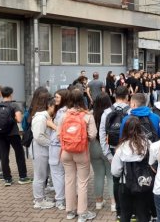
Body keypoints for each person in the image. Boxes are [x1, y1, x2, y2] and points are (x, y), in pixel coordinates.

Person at [59, 89, 97, 221]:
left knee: (69, 180)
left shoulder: (64, 115)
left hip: (66, 152)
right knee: (82, 182)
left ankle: (70, 211)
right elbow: (92, 135)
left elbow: (59, 134)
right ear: (83, 99)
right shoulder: (88, 116)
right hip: (81, 152)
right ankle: (82, 213)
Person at [111, 117, 154, 222]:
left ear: (125, 130)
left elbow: (115, 171)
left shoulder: (121, 148)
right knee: (143, 214)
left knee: (125, 214)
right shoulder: (148, 144)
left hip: (125, 185)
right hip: (143, 183)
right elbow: (153, 163)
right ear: (140, 129)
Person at [99, 86, 130, 220]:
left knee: (115, 180)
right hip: (128, 149)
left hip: (113, 148)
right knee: (129, 179)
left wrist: (108, 155)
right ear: (127, 96)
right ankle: (129, 209)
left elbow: (102, 134)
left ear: (114, 96)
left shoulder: (106, 112)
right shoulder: (131, 111)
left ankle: (118, 210)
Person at [0, 86, 31, 186]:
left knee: (4, 155)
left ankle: (7, 179)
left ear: (2, 94)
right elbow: (19, 119)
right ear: (11, 94)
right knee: (19, 154)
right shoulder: (14, 105)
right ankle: (22, 177)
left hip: (1, 133)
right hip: (13, 133)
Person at [90, 93, 115, 211]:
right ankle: (114, 203)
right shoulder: (111, 114)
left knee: (98, 175)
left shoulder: (91, 114)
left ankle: (99, 202)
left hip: (94, 146)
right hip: (107, 146)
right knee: (110, 176)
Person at [31, 95, 57, 209]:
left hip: (43, 151)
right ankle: (39, 201)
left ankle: (41, 197)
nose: (56, 109)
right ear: (49, 106)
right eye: (55, 107)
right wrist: (51, 143)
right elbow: (38, 136)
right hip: (40, 151)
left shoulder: (45, 117)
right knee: (39, 176)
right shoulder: (41, 118)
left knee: (43, 175)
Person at [51, 89, 69, 210]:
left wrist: (50, 123)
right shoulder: (71, 110)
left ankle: (60, 200)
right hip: (68, 146)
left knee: (57, 173)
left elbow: (59, 131)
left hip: (57, 145)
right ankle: (69, 197)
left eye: (57, 97)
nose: (55, 99)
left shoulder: (61, 113)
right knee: (67, 173)